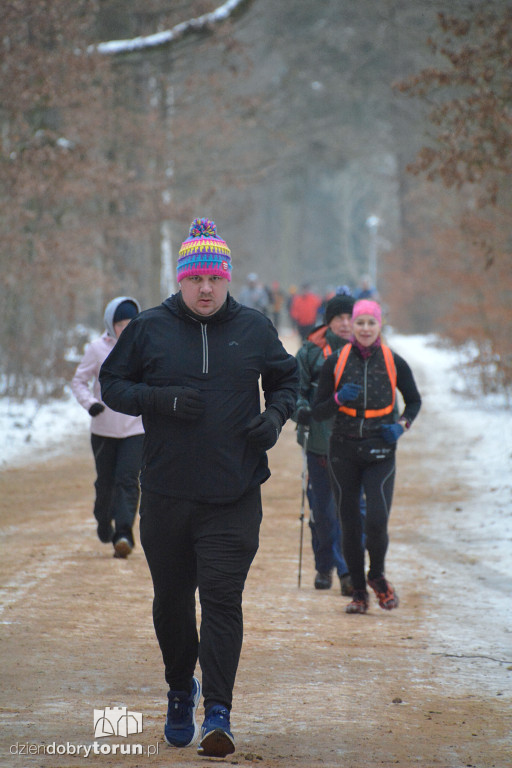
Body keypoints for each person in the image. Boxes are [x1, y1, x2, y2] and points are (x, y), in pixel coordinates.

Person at [99, 218, 298, 758]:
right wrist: (159, 400)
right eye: (195, 279)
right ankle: (179, 691)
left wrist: (275, 418)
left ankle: (219, 711)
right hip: (165, 493)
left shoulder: (255, 328)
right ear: (180, 280)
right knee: (171, 603)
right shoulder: (149, 328)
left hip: (234, 495)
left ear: (227, 278)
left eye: (214, 277)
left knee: (222, 599)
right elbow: (111, 384)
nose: (205, 288)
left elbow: (288, 379)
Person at [312, 299, 421, 614]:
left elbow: (413, 401)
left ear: (379, 325)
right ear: (352, 328)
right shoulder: (334, 362)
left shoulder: (393, 361)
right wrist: (336, 398)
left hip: (380, 449)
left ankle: (377, 576)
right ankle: (358, 592)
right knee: (348, 523)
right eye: (359, 323)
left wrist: (401, 426)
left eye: (370, 323)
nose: (364, 328)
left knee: (375, 521)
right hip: (343, 449)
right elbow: (318, 411)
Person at [71, 296, 144, 558]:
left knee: (128, 480)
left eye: (131, 323)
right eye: (120, 324)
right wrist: (90, 403)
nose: (125, 329)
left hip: (136, 428)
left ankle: (123, 534)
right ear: (110, 324)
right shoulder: (96, 349)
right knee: (106, 483)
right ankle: (103, 518)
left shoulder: (144, 347)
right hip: (103, 429)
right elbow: (79, 382)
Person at [293, 291, 356, 595]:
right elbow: (296, 390)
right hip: (319, 442)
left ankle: (346, 569)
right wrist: (301, 411)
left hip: (356, 443)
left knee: (352, 509)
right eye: (339, 318)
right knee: (323, 510)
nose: (346, 324)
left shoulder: (368, 350)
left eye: (350, 317)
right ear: (329, 321)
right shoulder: (310, 352)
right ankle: (324, 566)